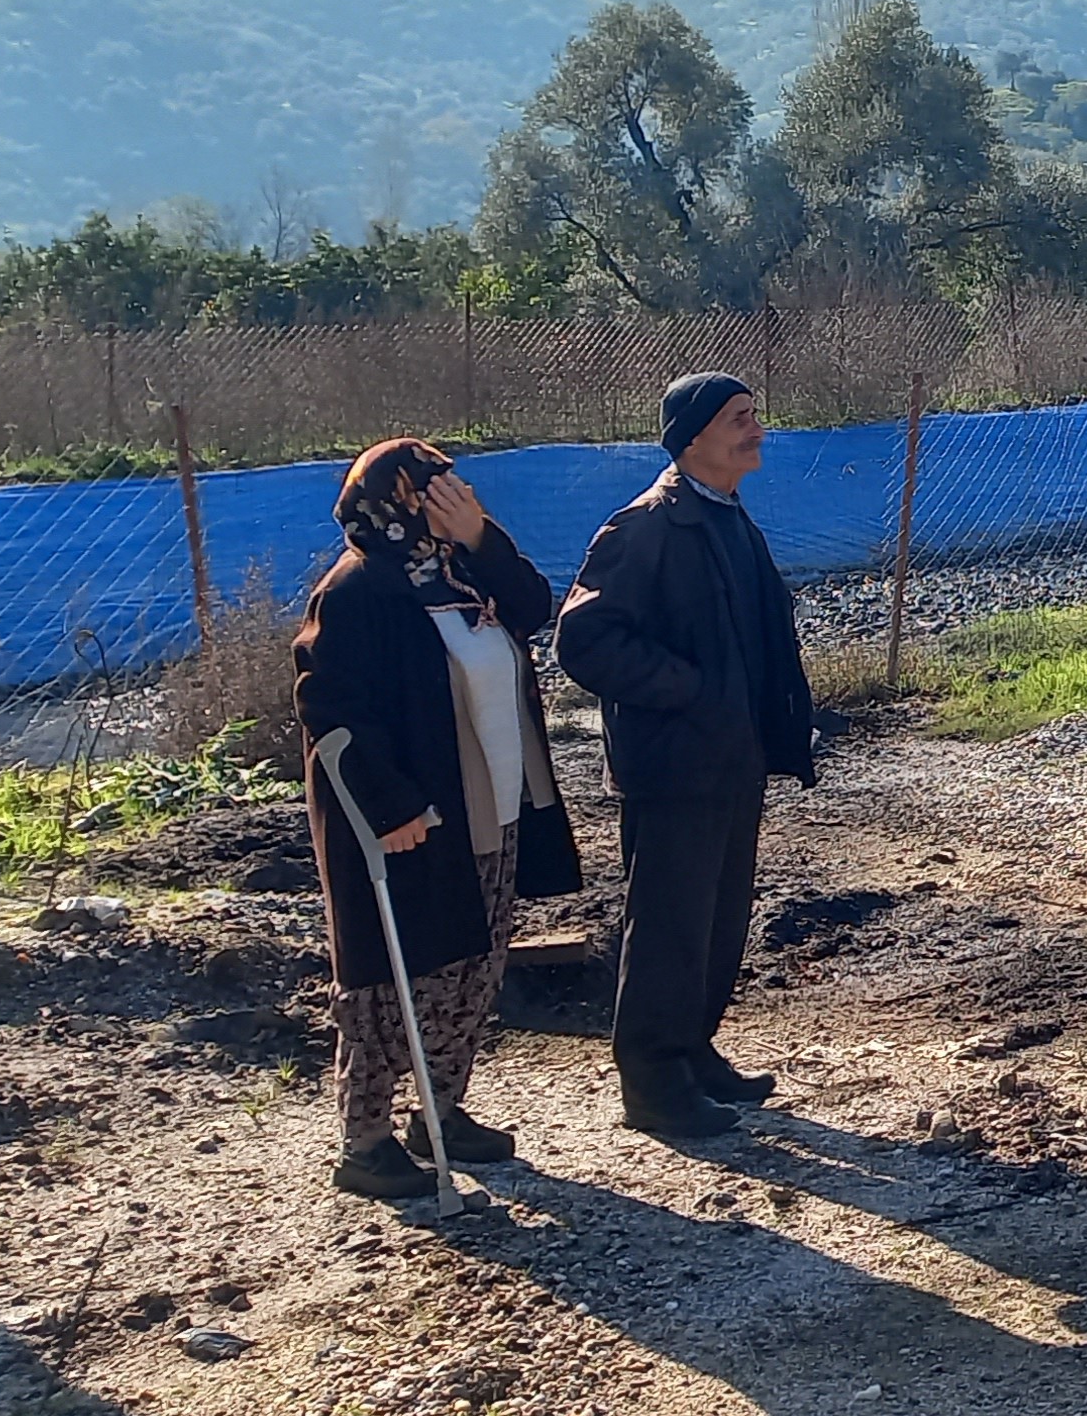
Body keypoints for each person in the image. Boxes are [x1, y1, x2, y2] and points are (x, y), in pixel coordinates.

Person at [292, 439, 582, 1199]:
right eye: (439, 487)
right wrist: (388, 806)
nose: (459, 497)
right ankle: (366, 1141)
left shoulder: (458, 569)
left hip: (492, 801)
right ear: (397, 500)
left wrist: (482, 538)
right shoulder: (356, 592)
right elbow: (329, 706)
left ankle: (440, 1109)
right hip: (414, 819)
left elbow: (531, 607)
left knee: (473, 962)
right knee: (391, 979)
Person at [556, 373, 817, 1141]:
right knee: (669, 922)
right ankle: (653, 1080)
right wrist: (690, 691)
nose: (755, 428)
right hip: (674, 764)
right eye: (739, 419)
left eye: (755, 415)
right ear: (692, 437)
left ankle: (692, 1048)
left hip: (731, 758)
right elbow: (585, 640)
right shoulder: (645, 527)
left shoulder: (727, 516)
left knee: (717, 916)